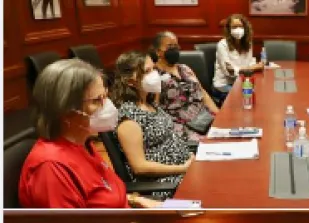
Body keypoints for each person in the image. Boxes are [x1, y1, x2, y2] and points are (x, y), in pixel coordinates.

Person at [19, 59, 160, 208]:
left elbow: (101, 196)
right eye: (97, 100)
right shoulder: (51, 168)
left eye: (106, 96)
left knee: (184, 208)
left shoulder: (83, 143)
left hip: (129, 218)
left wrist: (134, 200)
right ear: (66, 111)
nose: (108, 105)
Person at [111, 51, 195, 195]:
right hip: (166, 184)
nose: (154, 75)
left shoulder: (149, 103)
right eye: (147, 71)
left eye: (154, 69)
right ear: (130, 81)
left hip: (185, 170)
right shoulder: (128, 118)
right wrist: (183, 168)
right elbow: (139, 167)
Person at [151, 31, 219, 140]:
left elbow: (203, 93)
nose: (174, 49)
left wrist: (218, 114)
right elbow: (155, 107)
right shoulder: (154, 75)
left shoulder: (185, 68)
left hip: (204, 118)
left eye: (175, 46)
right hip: (181, 126)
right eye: (170, 46)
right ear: (158, 51)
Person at [212, 14, 264, 102]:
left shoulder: (248, 43)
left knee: (259, 95)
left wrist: (252, 66)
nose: (238, 29)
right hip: (223, 85)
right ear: (229, 29)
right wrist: (252, 67)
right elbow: (229, 72)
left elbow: (249, 63)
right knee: (245, 97)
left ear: (245, 28)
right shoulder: (222, 45)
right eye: (234, 27)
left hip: (241, 82)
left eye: (240, 26)